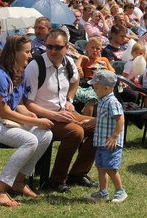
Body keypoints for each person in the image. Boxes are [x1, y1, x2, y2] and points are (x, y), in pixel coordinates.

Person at [0, 35, 54, 207]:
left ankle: (18, 181)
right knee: (30, 140)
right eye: (27, 52)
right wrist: (37, 122)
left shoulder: (18, 74)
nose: (30, 55)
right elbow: (5, 112)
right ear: (15, 53)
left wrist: (31, 116)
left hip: (0, 123)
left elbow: (18, 104)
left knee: (45, 134)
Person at [25, 29, 96, 193]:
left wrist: (70, 100)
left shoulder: (69, 63)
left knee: (102, 126)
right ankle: (56, 180)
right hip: (42, 117)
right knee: (75, 132)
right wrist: (55, 115)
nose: (52, 51)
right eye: (49, 46)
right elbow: (28, 104)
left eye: (57, 47)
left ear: (66, 48)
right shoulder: (35, 66)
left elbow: (75, 80)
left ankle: (77, 174)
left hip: (65, 113)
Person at [86, 70, 127, 203]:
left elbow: (120, 119)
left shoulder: (112, 102)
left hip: (111, 143)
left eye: (96, 88)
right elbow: (102, 119)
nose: (94, 90)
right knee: (101, 167)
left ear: (106, 88)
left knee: (110, 167)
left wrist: (114, 136)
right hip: (101, 142)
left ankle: (120, 191)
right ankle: (103, 192)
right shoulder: (102, 100)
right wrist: (89, 121)